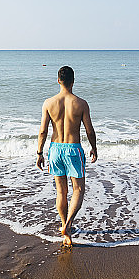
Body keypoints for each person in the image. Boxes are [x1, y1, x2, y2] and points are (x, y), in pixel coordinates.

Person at [36, 66, 97, 249]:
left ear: (58, 80)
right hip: (73, 149)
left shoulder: (48, 103)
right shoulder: (81, 104)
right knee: (78, 189)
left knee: (61, 192)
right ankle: (69, 224)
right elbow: (89, 130)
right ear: (73, 81)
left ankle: (64, 228)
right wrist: (94, 147)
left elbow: (43, 131)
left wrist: (39, 153)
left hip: (55, 149)